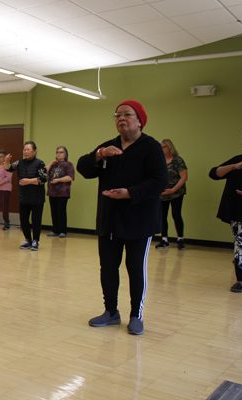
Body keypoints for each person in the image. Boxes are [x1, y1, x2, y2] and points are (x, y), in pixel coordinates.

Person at [77, 100, 167, 336]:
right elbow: (83, 168)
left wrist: (130, 193)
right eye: (117, 115)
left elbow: (160, 181)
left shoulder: (151, 147)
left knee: (135, 269)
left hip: (139, 220)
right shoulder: (108, 147)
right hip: (109, 220)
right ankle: (110, 312)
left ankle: (136, 315)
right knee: (107, 267)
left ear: (140, 120)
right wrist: (98, 155)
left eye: (127, 114)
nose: (121, 118)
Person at [209, 130, 242, 293]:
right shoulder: (237, 161)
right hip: (239, 212)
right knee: (240, 246)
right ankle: (240, 282)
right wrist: (234, 166)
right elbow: (214, 173)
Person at [4, 141, 48, 251]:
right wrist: (6, 161)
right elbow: (8, 168)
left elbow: (44, 179)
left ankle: (35, 241)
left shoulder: (40, 163)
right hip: (24, 197)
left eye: (28, 149)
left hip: (37, 198)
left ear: (34, 151)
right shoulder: (19, 163)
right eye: (24, 149)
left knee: (36, 220)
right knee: (23, 220)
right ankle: (28, 239)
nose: (26, 151)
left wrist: (28, 181)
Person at [155, 139, 187, 249]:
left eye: (164, 146)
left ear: (170, 148)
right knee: (162, 216)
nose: (162, 148)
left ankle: (180, 239)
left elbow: (184, 177)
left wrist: (173, 190)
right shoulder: (159, 160)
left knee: (176, 214)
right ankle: (164, 240)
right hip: (162, 193)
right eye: (161, 146)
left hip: (177, 193)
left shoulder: (177, 160)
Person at [47, 146, 75, 238]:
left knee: (61, 211)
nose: (59, 154)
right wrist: (51, 163)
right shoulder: (53, 164)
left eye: (61, 152)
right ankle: (55, 230)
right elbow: (44, 172)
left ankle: (63, 231)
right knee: (53, 211)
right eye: (57, 152)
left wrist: (58, 180)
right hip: (52, 192)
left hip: (62, 192)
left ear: (65, 154)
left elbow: (70, 177)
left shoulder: (68, 164)